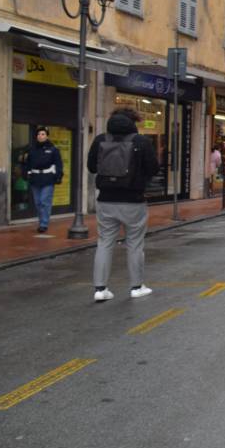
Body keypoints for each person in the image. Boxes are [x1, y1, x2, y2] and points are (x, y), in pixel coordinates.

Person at [86, 107, 160, 302]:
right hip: (133, 200)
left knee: (104, 242)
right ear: (132, 122)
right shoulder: (141, 142)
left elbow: (91, 166)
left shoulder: (100, 140)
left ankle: (100, 289)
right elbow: (154, 168)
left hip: (106, 200)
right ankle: (136, 287)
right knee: (135, 244)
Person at [22, 126, 63, 233]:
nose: (40, 136)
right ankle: (41, 222)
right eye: (39, 134)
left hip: (48, 178)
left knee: (44, 201)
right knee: (37, 203)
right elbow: (26, 164)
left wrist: (59, 176)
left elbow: (58, 164)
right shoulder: (31, 149)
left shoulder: (53, 149)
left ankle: (44, 224)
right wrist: (25, 174)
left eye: (43, 134)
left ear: (47, 136)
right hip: (35, 179)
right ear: (36, 136)